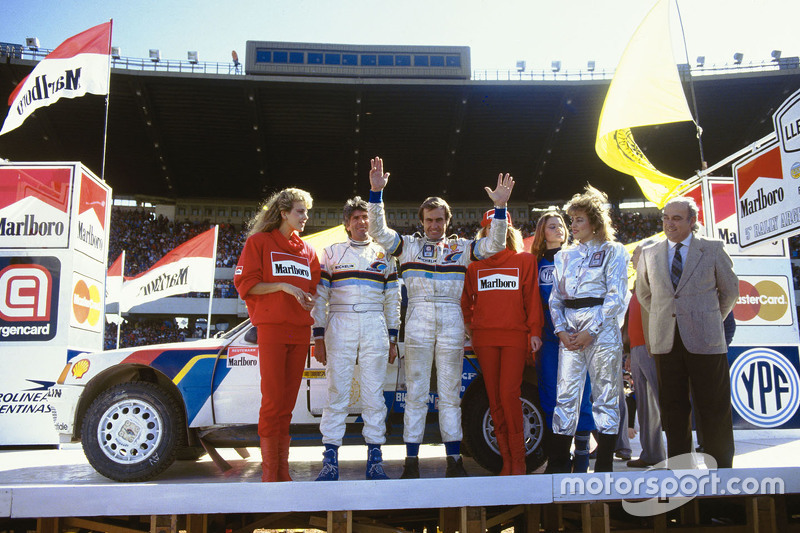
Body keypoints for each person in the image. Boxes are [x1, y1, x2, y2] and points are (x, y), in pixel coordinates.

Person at [367, 156, 514, 478]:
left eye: (439, 220)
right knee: (416, 394)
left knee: (450, 395)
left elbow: (496, 243)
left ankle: (454, 462)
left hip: (451, 321)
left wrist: (500, 209)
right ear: (421, 221)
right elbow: (377, 231)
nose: (434, 226)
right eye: (429, 220)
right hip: (417, 319)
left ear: (447, 221)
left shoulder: (462, 248)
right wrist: (376, 194)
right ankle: (410, 464)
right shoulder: (406, 246)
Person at [637, 196, 739, 468]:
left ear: (692, 221)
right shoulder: (650, 253)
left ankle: (722, 468)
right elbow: (645, 295)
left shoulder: (713, 248)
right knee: (673, 409)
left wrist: (710, 318)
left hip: (706, 339)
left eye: (677, 218)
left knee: (713, 406)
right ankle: (681, 467)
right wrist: (666, 315)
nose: (669, 223)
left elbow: (730, 291)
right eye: (666, 218)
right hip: (666, 340)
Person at [310, 197, 401, 481]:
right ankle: (330, 461)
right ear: (347, 224)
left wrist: (393, 337)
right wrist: (319, 335)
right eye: (357, 218)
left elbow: (393, 299)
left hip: (375, 323)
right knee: (338, 394)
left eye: (366, 217)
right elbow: (320, 297)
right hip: (340, 322)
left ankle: (375, 461)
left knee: (374, 395)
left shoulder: (385, 255)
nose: (362, 222)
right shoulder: (331, 253)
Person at [233, 188, 321, 482]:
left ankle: (283, 471)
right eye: (300, 211)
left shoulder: (308, 251)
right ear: (284, 213)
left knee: (287, 405)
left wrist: (308, 299)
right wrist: (283, 286)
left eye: (306, 212)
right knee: (272, 402)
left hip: (299, 331)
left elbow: (311, 289)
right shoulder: (259, 242)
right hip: (271, 330)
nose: (306, 217)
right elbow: (247, 285)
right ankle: (271, 475)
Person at [548, 185, 629, 473]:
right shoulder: (562, 256)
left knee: (605, 394)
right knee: (566, 395)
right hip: (569, 331)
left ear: (595, 221)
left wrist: (591, 330)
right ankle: (557, 463)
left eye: (579, 218)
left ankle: (605, 462)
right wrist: (560, 331)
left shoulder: (614, 251)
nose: (573, 224)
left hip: (602, 329)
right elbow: (555, 299)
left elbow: (616, 296)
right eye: (571, 219)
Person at [461, 211, 543, 475]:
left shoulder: (525, 261)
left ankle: (518, 460)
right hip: (485, 340)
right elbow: (466, 304)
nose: (495, 234)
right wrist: (473, 329)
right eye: (488, 230)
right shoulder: (474, 268)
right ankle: (506, 459)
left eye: (501, 229)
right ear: (483, 234)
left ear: (509, 232)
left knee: (509, 394)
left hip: (514, 338)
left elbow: (531, 299)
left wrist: (534, 332)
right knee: (494, 398)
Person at [530, 211, 595, 473]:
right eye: (552, 226)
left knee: (582, 393)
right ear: (542, 232)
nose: (559, 229)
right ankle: (557, 457)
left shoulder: (579, 256)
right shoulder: (533, 263)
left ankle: (581, 456)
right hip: (547, 335)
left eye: (560, 225)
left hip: (576, 333)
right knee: (550, 395)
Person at [626, 239, 666, 468]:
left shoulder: (658, 280)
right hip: (638, 349)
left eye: (636, 255)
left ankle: (680, 453)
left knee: (664, 404)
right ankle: (651, 454)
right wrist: (631, 352)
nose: (633, 259)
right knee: (645, 407)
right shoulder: (638, 284)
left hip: (655, 348)